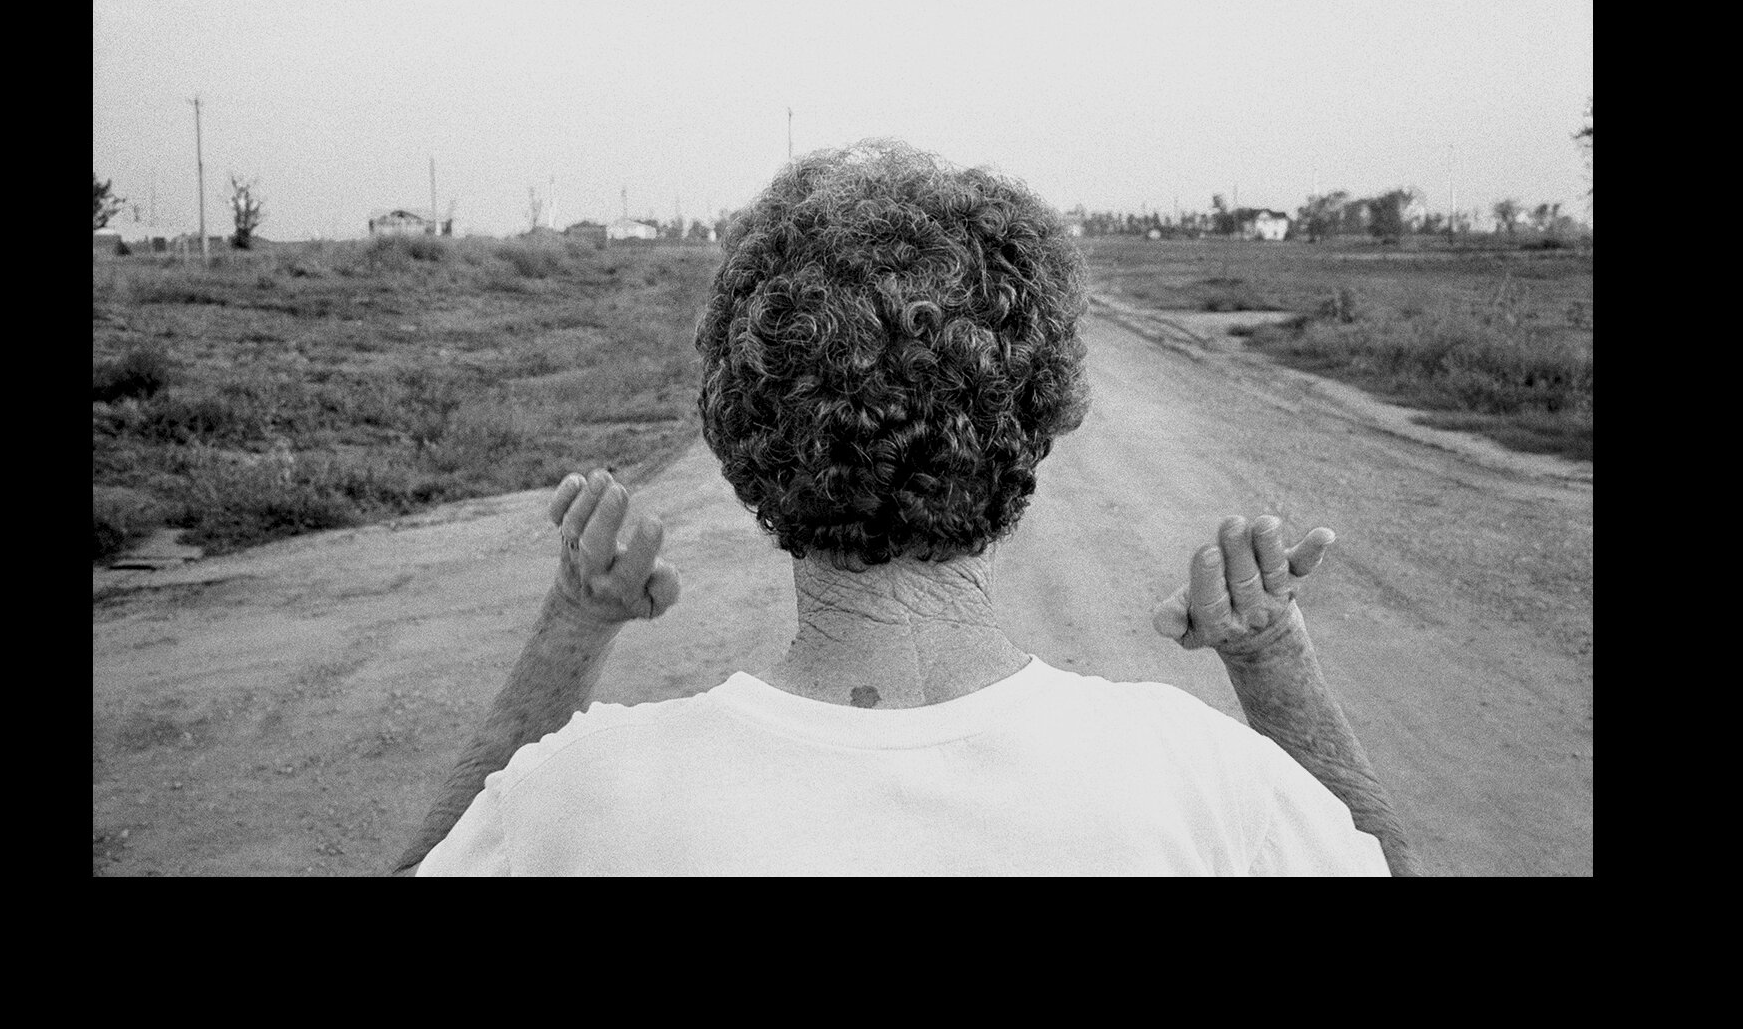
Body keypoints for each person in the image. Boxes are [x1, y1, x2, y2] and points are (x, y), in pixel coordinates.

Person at [394, 141, 1418, 876]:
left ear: (742, 438)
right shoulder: (1199, 780)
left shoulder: (578, 800)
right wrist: (1271, 654)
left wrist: (575, 620)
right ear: (1036, 421)